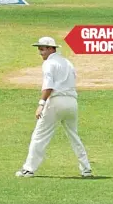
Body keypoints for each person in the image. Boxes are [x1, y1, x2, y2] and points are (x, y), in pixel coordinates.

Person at [15, 37, 93, 178]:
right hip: (72, 102)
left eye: (43, 49)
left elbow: (48, 85)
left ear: (52, 49)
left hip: (56, 102)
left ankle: (28, 169)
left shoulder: (49, 64)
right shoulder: (68, 62)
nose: (40, 52)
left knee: (39, 136)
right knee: (74, 136)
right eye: (39, 49)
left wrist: (41, 104)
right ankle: (86, 169)